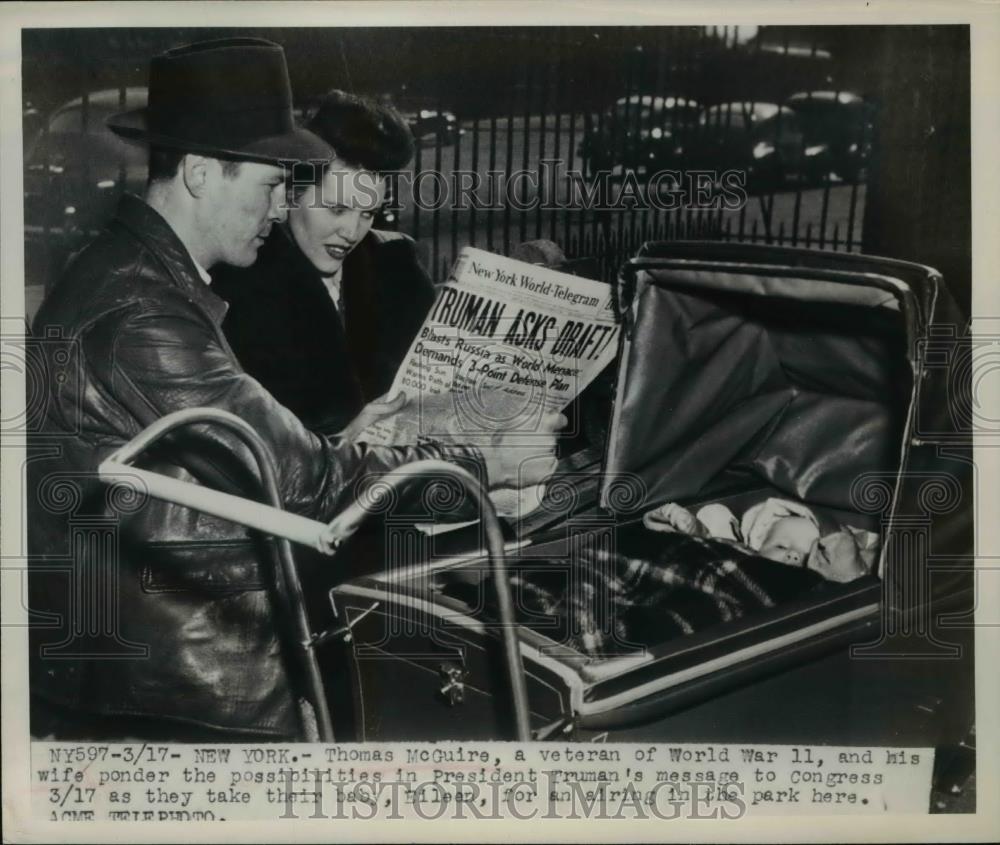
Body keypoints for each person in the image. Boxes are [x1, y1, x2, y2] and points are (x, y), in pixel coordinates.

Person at [27, 38, 563, 742]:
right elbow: (306, 482)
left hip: (161, 657)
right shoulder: (142, 311)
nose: (283, 207)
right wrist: (482, 457)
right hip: (184, 682)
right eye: (271, 184)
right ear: (198, 172)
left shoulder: (136, 274)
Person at [212, 90, 432, 436]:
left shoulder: (395, 266)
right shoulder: (239, 284)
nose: (351, 231)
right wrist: (344, 440)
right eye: (337, 209)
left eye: (368, 214)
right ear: (291, 193)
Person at [642, 497, 879, 583]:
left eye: (805, 559)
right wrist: (685, 525)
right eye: (781, 546)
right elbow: (711, 545)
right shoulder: (740, 547)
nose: (795, 555)